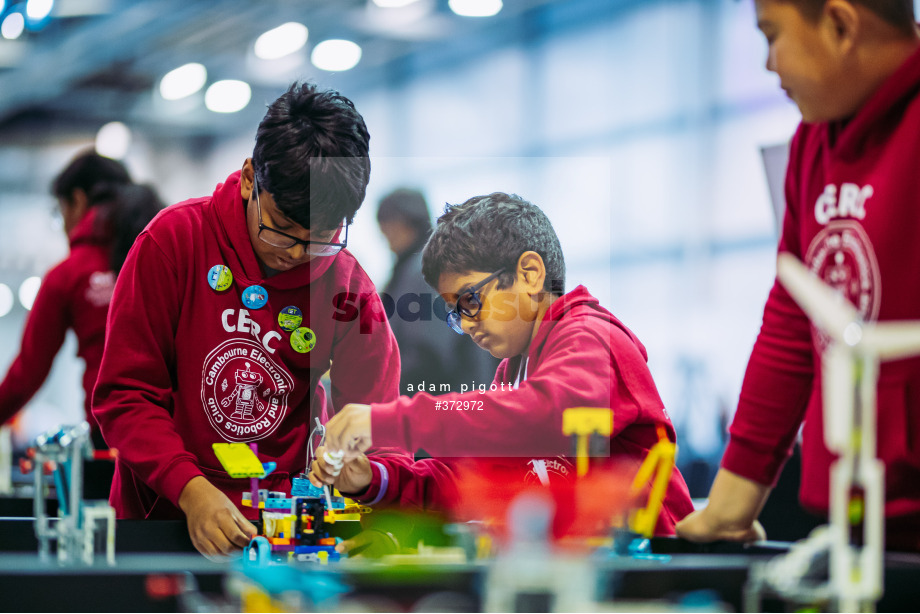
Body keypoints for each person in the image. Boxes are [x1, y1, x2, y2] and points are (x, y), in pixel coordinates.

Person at [93, 83, 441, 559]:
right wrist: (189, 489)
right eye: (281, 230)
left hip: (283, 541)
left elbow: (379, 428)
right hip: (162, 527)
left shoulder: (347, 289)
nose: (296, 255)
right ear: (248, 177)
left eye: (319, 237)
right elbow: (126, 395)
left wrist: (376, 514)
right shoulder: (173, 244)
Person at [676, 0, 920, 551]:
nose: (768, 64)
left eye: (772, 36)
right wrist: (728, 510)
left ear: (840, 25)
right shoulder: (814, 141)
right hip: (857, 519)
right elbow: (791, 322)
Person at [312, 192, 694, 535]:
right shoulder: (514, 369)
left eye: (470, 301)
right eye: (454, 313)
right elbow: (471, 478)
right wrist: (375, 477)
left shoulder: (591, 337)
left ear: (529, 273)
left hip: (652, 571)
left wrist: (385, 420)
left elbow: (546, 413)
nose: (464, 324)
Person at [0, 152, 161, 450]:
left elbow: (27, 372)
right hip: (182, 436)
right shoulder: (164, 249)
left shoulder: (69, 274)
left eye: (60, 213)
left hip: (117, 439)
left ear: (77, 200)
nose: (63, 227)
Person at [377, 188, 498, 397]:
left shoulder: (423, 271)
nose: (384, 235)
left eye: (386, 225)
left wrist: (379, 383)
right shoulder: (421, 266)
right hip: (457, 398)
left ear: (403, 223)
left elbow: (428, 355)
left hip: (448, 402)